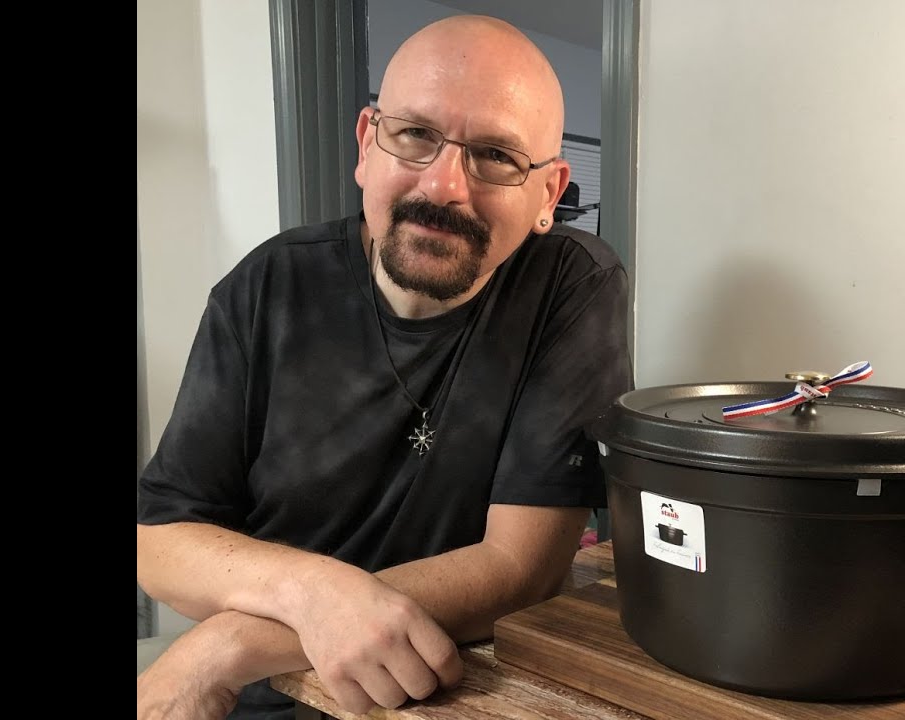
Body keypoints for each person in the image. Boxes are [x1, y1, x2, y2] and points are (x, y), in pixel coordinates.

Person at [136, 15, 632, 720]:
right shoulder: (267, 288)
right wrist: (315, 596)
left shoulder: (571, 287)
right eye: (416, 136)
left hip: (451, 690)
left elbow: (519, 569)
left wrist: (231, 643)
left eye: (495, 154)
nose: (445, 187)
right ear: (367, 144)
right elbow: (159, 539)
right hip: (272, 697)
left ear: (550, 194)